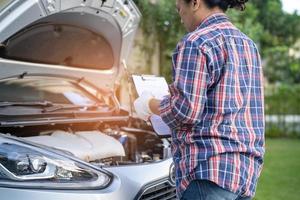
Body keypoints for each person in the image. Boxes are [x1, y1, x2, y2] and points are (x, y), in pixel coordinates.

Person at [133, 0, 265, 199]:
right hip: (244, 171)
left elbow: (185, 111)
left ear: (195, 3)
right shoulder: (248, 44)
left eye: (180, 9)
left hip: (208, 170)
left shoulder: (195, 42)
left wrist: (148, 104)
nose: (180, 16)